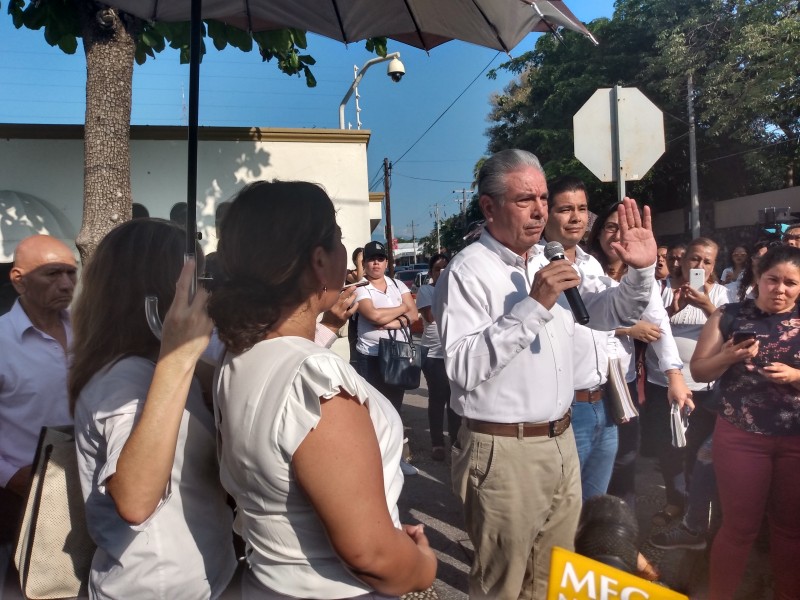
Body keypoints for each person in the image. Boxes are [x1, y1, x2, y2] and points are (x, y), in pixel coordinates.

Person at [432, 149, 656, 599]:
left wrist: (641, 271)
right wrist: (532, 307)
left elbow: (611, 311)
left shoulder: (548, 260)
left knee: (553, 576)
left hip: (561, 439)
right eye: (524, 200)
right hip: (503, 449)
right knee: (504, 581)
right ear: (489, 207)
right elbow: (461, 367)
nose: (539, 211)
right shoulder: (467, 271)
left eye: (542, 197)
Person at [208, 181, 437, 599]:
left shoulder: (236, 358)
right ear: (318, 260)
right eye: (337, 237)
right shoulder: (315, 377)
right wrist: (422, 565)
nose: (343, 251)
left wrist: (376, 522)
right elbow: (370, 555)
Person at [70, 219, 236, 599]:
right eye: (195, 282)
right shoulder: (124, 379)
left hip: (205, 574)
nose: (204, 293)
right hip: (157, 587)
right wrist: (178, 359)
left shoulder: (158, 368)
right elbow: (136, 500)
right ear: (163, 291)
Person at [691, 245, 800, 599]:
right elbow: (698, 369)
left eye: (791, 283)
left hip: (795, 440)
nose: (780, 290)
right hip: (741, 436)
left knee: (790, 529)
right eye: (773, 280)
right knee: (738, 528)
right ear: (757, 277)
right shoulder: (729, 315)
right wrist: (727, 355)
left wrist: (796, 376)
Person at [586, 204, 690, 512]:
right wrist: (628, 327)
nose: (617, 235)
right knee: (584, 462)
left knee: (625, 457)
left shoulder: (640, 278)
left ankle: (618, 534)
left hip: (623, 382)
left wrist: (674, 375)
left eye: (624, 229)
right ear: (598, 234)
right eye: (609, 227)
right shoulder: (582, 267)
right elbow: (576, 320)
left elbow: (659, 324)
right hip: (581, 386)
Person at [0, 235, 77, 574]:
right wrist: (10, 476)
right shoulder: (2, 342)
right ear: (19, 280)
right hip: (20, 499)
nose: (65, 284)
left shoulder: (88, 331)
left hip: (91, 493)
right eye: (52, 274)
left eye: (71, 273)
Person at [542, 176, 618, 502]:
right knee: (562, 506)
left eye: (583, 209)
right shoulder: (531, 265)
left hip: (605, 400)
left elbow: (614, 318)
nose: (576, 217)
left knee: (594, 504)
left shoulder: (592, 263)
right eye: (566, 209)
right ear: (545, 213)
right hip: (565, 407)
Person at [646, 237, 729, 526]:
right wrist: (673, 310)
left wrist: (707, 305)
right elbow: (648, 331)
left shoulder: (721, 295)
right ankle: (675, 501)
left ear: (714, 265)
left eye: (707, 261)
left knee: (698, 450)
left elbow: (729, 334)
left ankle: (698, 506)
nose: (700, 266)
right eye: (695, 259)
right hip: (664, 385)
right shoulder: (661, 290)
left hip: (704, 388)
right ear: (682, 260)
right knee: (669, 448)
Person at [354, 240, 420, 475]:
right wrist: (400, 311)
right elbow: (372, 315)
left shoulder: (397, 284)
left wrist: (390, 319)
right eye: (372, 259)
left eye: (381, 259)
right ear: (365, 263)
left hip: (396, 355)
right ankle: (374, 463)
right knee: (373, 410)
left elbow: (413, 314)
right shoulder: (361, 288)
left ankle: (397, 460)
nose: (376, 263)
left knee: (394, 408)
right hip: (371, 356)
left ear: (386, 262)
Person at [415, 253, 460, 461]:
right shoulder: (426, 290)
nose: (441, 272)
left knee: (455, 399)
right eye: (437, 269)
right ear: (431, 272)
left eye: (445, 268)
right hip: (433, 354)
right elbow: (430, 317)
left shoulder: (458, 289)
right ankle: (437, 443)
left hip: (455, 352)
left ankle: (455, 439)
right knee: (437, 397)